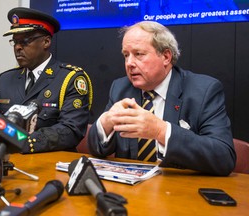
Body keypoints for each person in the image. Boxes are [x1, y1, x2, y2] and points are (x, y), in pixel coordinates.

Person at [87, 21, 236, 176]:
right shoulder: (120, 88)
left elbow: (224, 157)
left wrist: (160, 131)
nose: (129, 63)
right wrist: (106, 123)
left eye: (139, 54)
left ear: (166, 57)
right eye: (126, 55)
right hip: (130, 192)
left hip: (178, 192)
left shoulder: (203, 90)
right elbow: (96, 148)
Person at [0, 7, 93, 153]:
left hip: (50, 164)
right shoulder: (5, 79)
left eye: (25, 41)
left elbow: (71, 130)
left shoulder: (70, 78)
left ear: (46, 42)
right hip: (6, 160)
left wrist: (19, 142)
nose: (17, 47)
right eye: (15, 41)